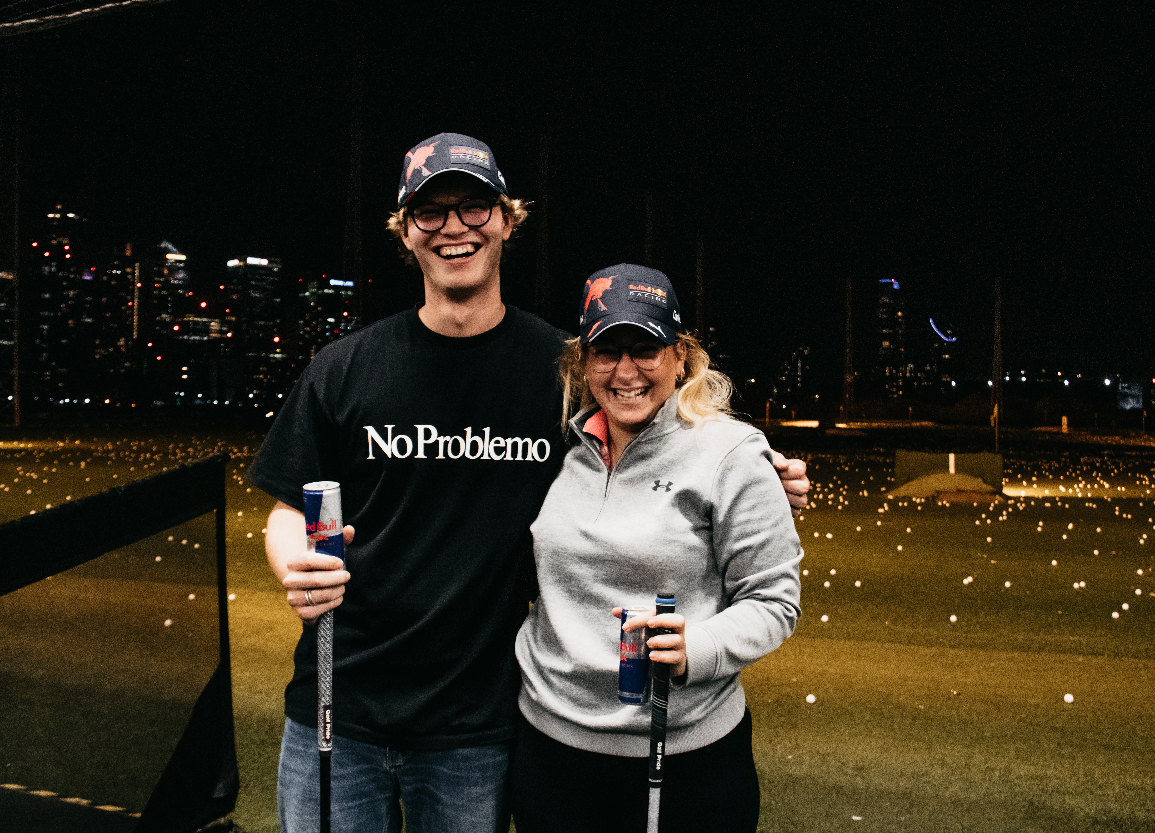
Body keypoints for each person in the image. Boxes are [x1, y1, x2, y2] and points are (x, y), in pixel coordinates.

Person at [248, 134, 810, 833]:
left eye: (474, 206)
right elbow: (286, 509)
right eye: (430, 211)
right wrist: (292, 563)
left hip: (474, 725)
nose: (453, 227)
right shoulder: (343, 367)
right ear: (405, 231)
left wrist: (762, 473)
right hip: (339, 704)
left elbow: (658, 433)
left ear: (508, 220)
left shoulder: (562, 373)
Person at [510, 264, 804, 832]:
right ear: (583, 361)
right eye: (606, 351)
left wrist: (701, 645)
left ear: (680, 356)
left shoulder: (731, 454)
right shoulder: (560, 447)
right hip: (549, 750)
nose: (626, 372)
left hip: (686, 756)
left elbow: (774, 600)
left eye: (645, 349)